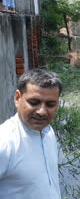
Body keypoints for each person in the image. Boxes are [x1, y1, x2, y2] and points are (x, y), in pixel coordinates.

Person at [0, 69, 62, 199]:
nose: (42, 112)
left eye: (50, 104)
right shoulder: (5, 142)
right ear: (17, 98)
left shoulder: (48, 132)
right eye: (34, 103)